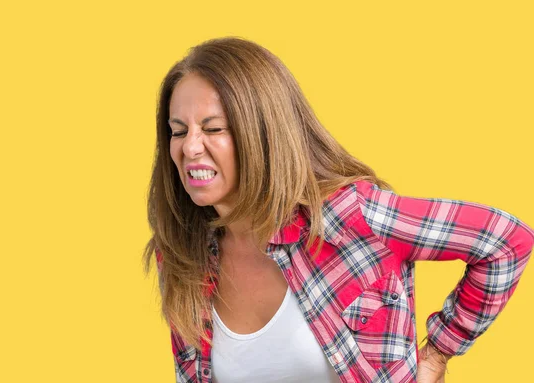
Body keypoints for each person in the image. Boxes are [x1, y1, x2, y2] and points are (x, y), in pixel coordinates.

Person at [143, 36, 534, 383]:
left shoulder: (348, 217)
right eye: (178, 131)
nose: (189, 147)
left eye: (213, 129)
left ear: (264, 131)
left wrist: (437, 352)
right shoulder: (181, 253)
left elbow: (506, 241)